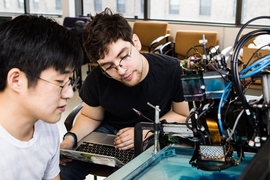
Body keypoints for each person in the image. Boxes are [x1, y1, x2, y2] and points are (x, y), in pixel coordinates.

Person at [60, 8, 189, 180]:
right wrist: (71, 139)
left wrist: (145, 131)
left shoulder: (172, 70)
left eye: (123, 56)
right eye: (108, 66)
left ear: (136, 42)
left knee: (128, 175)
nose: (120, 70)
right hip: (110, 132)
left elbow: (182, 114)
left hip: (154, 131)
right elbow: (91, 117)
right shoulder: (97, 78)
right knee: (63, 171)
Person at [0, 15, 84, 180]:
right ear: (17, 80)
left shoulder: (47, 129)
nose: (69, 94)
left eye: (70, 82)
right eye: (60, 82)